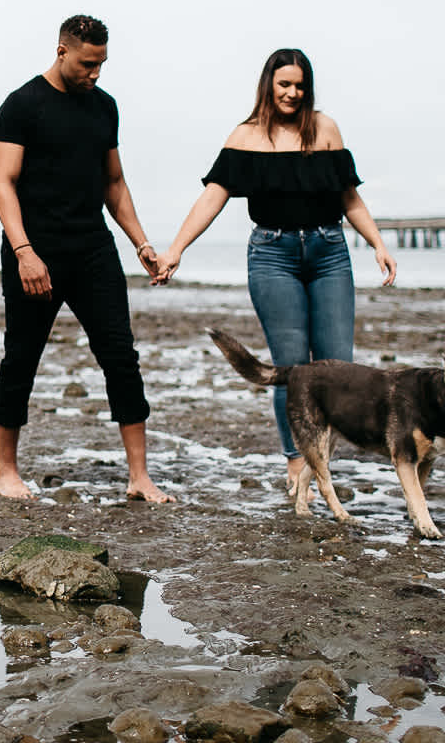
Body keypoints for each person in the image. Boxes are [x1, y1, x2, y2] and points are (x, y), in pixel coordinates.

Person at [153, 48, 396, 491]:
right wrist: (176, 250)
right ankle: (296, 463)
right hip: (272, 255)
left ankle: (321, 464)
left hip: (329, 252)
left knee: (339, 366)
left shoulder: (324, 128)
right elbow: (212, 197)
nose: (293, 92)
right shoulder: (246, 136)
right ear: (268, 85)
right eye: (284, 84)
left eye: (300, 85)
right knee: (290, 367)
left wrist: (377, 243)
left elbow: (349, 197)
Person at [0, 14, 173, 503]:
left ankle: (139, 477)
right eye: (88, 64)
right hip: (35, 252)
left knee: (120, 356)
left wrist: (141, 243)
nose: (95, 74)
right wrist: (24, 251)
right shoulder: (21, 105)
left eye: (102, 65)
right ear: (62, 51)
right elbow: (3, 182)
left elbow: (113, 182)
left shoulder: (104, 108)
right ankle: (6, 471)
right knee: (22, 357)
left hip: (93, 249)